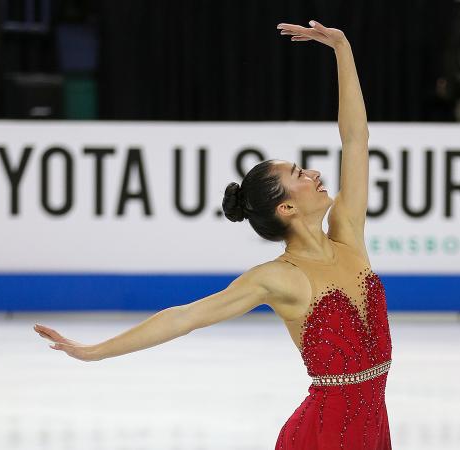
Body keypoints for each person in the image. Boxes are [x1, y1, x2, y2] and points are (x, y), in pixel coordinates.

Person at [33, 19, 393, 450]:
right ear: (287, 208)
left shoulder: (348, 235)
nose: (315, 173)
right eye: (299, 173)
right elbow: (184, 317)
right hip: (325, 435)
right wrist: (94, 351)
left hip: (373, 429)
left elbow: (355, 139)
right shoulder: (278, 277)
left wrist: (342, 49)